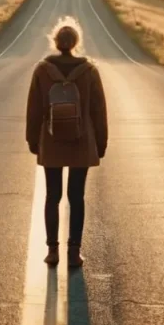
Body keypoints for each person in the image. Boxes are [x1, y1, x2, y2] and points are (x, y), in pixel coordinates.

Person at [26, 16, 108, 267]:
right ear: (76, 43)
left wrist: (32, 140)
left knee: (52, 195)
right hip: (82, 139)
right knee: (76, 196)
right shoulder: (90, 70)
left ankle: (52, 251)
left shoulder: (42, 70)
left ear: (55, 41)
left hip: (50, 140)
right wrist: (101, 143)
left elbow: (34, 109)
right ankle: (74, 252)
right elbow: (98, 110)